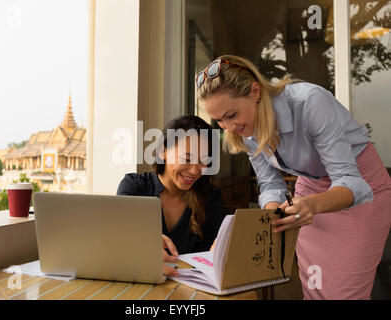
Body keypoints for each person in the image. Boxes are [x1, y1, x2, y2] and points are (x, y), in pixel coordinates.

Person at [196, 54, 391, 300]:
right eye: (220, 120)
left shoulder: (310, 101)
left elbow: (349, 179)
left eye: (231, 115)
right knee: (315, 290)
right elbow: (270, 184)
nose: (228, 128)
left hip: (360, 185)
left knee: (343, 294)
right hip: (310, 192)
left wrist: (311, 205)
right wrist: (272, 217)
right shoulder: (245, 130)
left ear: (255, 91)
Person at [117, 115, 224, 277]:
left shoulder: (211, 197)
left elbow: (209, 257)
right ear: (163, 151)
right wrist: (144, 242)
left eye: (204, 160)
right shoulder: (133, 187)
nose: (195, 170)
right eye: (186, 159)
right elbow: (119, 240)